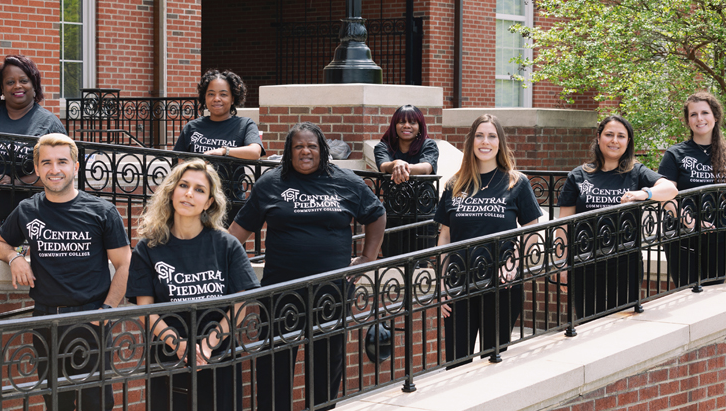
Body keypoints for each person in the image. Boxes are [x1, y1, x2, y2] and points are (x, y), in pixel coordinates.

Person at [228, 122, 386, 410]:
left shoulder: (346, 181)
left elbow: (376, 214)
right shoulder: (270, 183)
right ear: (289, 151)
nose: (305, 151)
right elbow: (237, 233)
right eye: (298, 146)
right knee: (274, 366)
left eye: (312, 146)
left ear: (322, 150)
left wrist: (367, 258)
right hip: (281, 292)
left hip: (331, 292)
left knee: (327, 366)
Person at [0, 133, 131, 411]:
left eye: (62, 162)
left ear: (75, 167)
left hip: (90, 318)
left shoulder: (101, 211)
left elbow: (126, 263)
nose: (55, 170)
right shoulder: (27, 210)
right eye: (47, 163)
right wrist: (15, 257)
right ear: (38, 168)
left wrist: (107, 309)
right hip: (45, 320)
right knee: (56, 402)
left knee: (97, 402)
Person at [126, 159, 259, 411]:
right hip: (167, 355)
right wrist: (177, 343)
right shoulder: (149, 247)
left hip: (218, 354)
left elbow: (241, 303)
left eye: (199, 189)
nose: (189, 193)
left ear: (209, 202)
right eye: (183, 185)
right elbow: (145, 309)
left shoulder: (226, 244)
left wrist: (209, 344)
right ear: (171, 191)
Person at [434, 114, 542, 369]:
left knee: (493, 362)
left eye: (492, 136)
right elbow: (445, 237)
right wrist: (440, 286)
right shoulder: (454, 184)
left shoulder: (516, 182)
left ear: (500, 143)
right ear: (471, 141)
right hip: (459, 283)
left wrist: (514, 264)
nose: (486, 142)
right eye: (480, 135)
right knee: (456, 363)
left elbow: (530, 231)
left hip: (501, 284)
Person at [556, 115, 677, 318]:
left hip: (625, 260)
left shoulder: (636, 172)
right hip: (585, 260)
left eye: (621, 136)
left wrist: (643, 193)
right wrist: (561, 264)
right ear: (598, 138)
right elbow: (563, 225)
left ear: (628, 142)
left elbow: (669, 189)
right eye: (609, 134)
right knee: (587, 321)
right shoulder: (579, 175)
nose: (614, 140)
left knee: (622, 322)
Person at [0, 54, 67, 254]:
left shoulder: (48, 124)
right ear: (1, 89)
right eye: (10, 82)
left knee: (22, 274)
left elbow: (58, 173)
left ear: (34, 85)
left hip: (27, 218)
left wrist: (15, 182)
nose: (17, 86)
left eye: (23, 81)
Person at [658, 91, 726, 287]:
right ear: (687, 120)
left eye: (705, 112)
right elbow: (665, 194)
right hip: (681, 232)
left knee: (713, 290)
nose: (699, 118)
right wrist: (690, 222)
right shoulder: (675, 154)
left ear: (716, 116)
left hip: (720, 233)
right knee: (686, 290)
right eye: (693, 114)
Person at [173, 69, 265, 225]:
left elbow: (255, 151)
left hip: (231, 203)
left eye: (223, 94)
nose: (216, 99)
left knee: (227, 247)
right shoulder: (192, 127)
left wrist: (224, 151)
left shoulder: (244, 125)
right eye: (210, 94)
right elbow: (179, 165)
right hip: (196, 202)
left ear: (233, 97)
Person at [374, 104, 440, 256]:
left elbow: (427, 167)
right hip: (393, 214)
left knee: (421, 267)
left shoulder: (428, 145)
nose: (407, 126)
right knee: (393, 264)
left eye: (412, 122)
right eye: (401, 122)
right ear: (394, 125)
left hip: (423, 214)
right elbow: (383, 165)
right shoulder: (383, 147)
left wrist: (401, 166)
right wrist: (395, 163)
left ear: (420, 126)